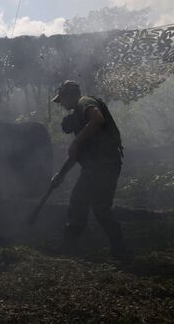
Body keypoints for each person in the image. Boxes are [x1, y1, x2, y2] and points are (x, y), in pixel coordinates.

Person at [50, 80, 127, 258]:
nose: (61, 104)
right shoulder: (80, 118)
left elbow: (98, 119)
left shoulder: (84, 102)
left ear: (69, 95)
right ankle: (120, 251)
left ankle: (68, 250)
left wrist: (76, 141)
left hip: (103, 164)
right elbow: (77, 153)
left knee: (79, 201)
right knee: (101, 209)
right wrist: (61, 174)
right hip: (102, 165)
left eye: (61, 99)